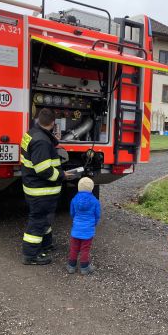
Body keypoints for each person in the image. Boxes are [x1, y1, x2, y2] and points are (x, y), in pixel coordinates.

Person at [20, 108, 70, 265]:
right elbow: (43, 170)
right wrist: (62, 176)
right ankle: (31, 255)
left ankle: (46, 245)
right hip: (41, 190)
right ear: (53, 123)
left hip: (35, 187)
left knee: (45, 218)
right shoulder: (41, 141)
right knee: (38, 220)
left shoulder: (32, 133)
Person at [66, 177, 101, 275]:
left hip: (76, 230)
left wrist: (76, 221)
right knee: (85, 249)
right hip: (88, 231)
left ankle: (71, 266)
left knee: (74, 248)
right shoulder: (95, 201)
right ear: (91, 188)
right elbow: (97, 215)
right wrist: (94, 223)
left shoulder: (74, 199)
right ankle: (84, 268)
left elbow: (72, 213)